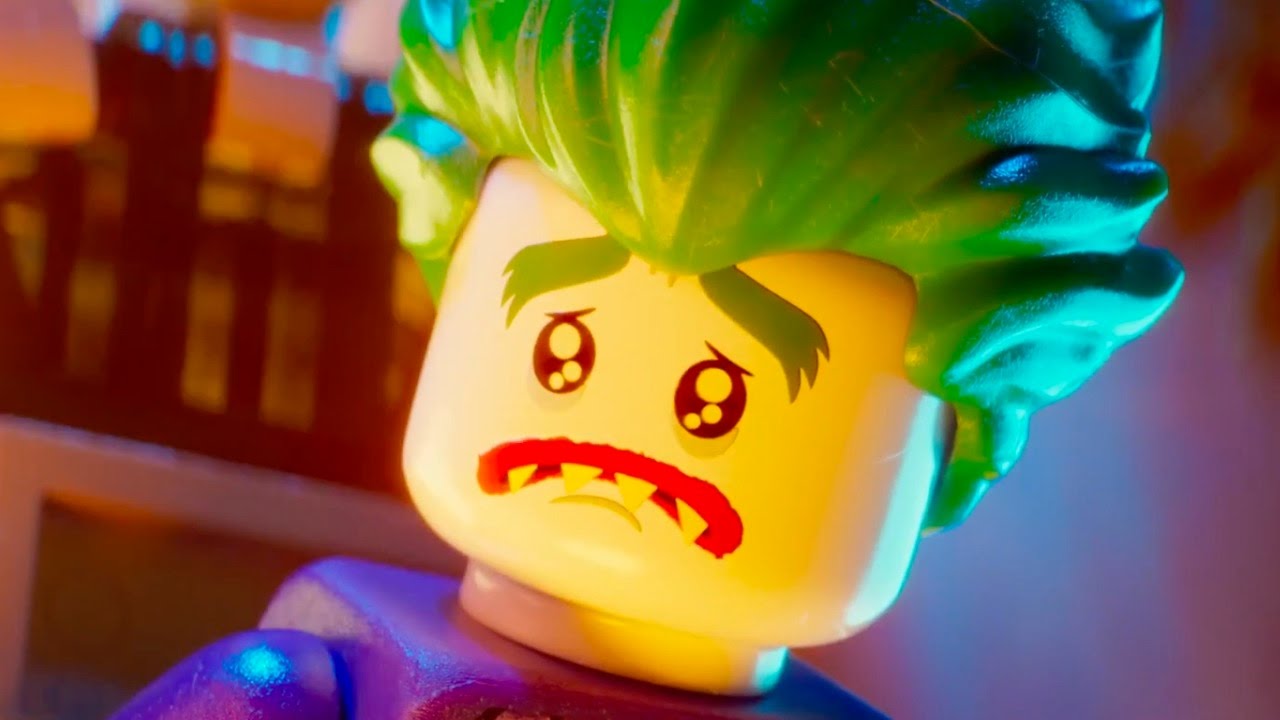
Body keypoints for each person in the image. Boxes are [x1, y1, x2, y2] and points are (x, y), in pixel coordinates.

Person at [110, 1, 1182, 717]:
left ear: (953, 446)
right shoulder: (306, 689)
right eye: (562, 349)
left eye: (717, 397)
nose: (612, 457)